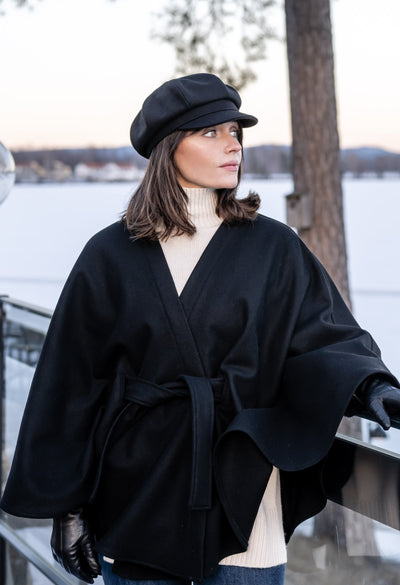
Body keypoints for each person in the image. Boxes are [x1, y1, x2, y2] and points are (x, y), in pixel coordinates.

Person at [1, 73, 400, 585]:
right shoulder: (110, 255)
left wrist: (371, 386)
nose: (232, 144)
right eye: (211, 132)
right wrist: (69, 508)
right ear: (170, 148)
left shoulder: (272, 247)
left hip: (243, 496)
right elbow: (71, 384)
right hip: (137, 494)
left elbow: (323, 334)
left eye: (235, 131)